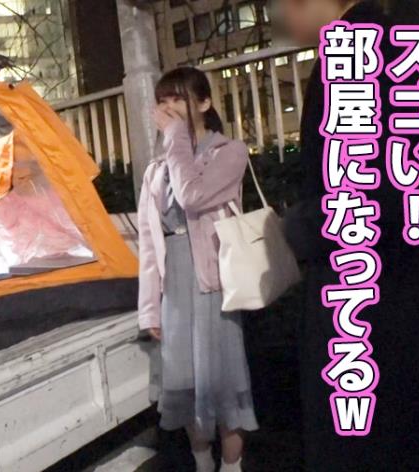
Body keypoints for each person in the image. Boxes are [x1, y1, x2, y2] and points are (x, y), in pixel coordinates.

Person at [279, 0, 419, 470]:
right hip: (418, 304)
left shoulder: (351, 55)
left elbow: (362, 195)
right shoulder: (401, 46)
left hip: (368, 302)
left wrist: (297, 226)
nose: (283, 15)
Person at [138, 67, 258, 472]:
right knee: (185, 385)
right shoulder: (156, 169)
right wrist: (149, 310)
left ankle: (232, 466)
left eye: (179, 98)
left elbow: (192, 196)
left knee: (223, 382)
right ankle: (203, 463)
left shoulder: (229, 152)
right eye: (163, 100)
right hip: (174, 287)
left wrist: (174, 138)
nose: (169, 108)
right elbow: (149, 245)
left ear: (204, 103)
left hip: (214, 283)